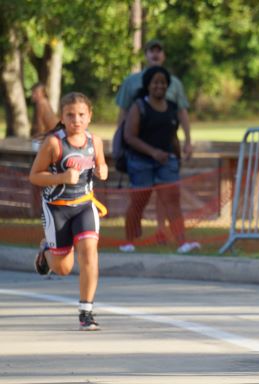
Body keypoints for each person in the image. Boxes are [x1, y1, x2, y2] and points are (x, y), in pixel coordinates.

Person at [30, 92, 108, 331]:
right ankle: (47, 249)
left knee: (89, 252)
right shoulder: (54, 143)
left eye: (82, 115)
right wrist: (63, 176)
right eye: (70, 115)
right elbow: (34, 176)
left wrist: (102, 170)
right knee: (62, 269)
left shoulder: (95, 141)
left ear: (90, 116)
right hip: (57, 209)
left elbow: (101, 164)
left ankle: (86, 312)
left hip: (84, 205)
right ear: (62, 118)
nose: (77, 120)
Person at [116, 39, 193, 248]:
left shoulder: (172, 105)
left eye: (162, 83)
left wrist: (180, 149)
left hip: (166, 160)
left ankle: (182, 242)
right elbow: (129, 135)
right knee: (139, 201)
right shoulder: (138, 105)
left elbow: (173, 130)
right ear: (148, 85)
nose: (159, 86)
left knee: (172, 200)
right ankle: (129, 241)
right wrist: (151, 152)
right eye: (155, 83)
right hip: (140, 160)